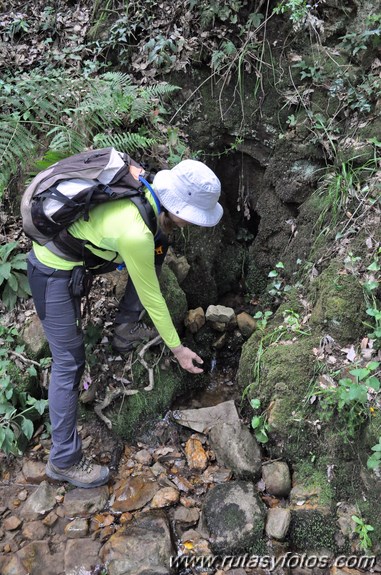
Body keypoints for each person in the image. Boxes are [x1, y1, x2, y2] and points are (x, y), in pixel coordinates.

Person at [27, 158, 223, 489]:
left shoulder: (143, 186)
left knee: (156, 250)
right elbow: (153, 297)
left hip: (81, 255)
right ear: (179, 206)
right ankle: (63, 460)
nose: (191, 224)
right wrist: (177, 349)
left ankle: (124, 328)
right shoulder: (135, 232)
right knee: (69, 363)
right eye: (191, 218)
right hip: (51, 269)